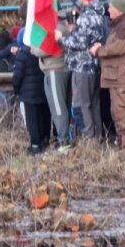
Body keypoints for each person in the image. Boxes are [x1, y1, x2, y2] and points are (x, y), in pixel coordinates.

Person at [56, 0, 106, 140]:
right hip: (95, 67)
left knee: (81, 105)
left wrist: (61, 39)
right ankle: (97, 138)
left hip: (82, 67)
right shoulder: (99, 15)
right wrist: (74, 32)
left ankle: (88, 139)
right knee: (94, 104)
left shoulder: (85, 18)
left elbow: (79, 43)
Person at [90, 0, 125, 153]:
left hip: (122, 79)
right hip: (117, 78)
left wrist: (98, 50)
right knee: (118, 113)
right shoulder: (122, 26)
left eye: (111, 7)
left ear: (117, 10)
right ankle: (124, 145)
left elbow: (116, 48)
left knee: (123, 115)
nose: (108, 9)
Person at [34, 11, 72, 151]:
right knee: (61, 107)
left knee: (58, 108)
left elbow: (43, 49)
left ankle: (63, 141)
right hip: (58, 69)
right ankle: (63, 139)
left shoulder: (57, 28)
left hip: (56, 70)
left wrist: (34, 49)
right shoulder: (64, 25)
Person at [13, 29, 52, 155]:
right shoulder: (40, 51)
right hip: (43, 90)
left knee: (32, 120)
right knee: (44, 116)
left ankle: (35, 145)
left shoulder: (22, 55)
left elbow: (17, 76)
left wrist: (16, 90)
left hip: (28, 94)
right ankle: (45, 139)